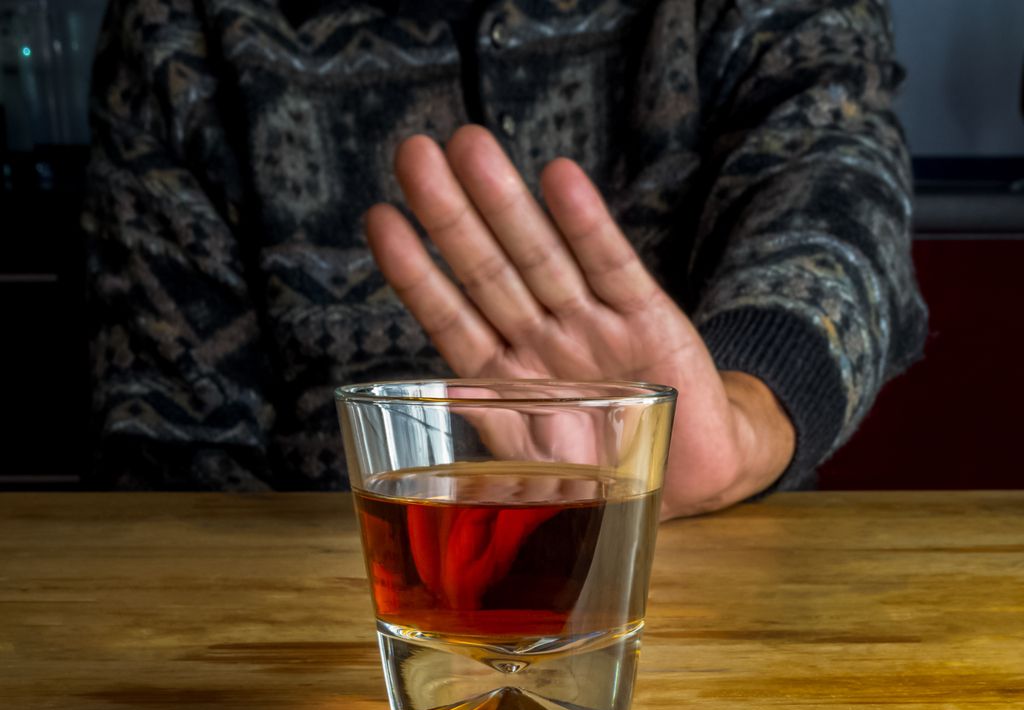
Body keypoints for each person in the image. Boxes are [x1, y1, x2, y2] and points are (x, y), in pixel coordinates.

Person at [82, 0, 927, 517]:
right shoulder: (178, 26)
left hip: (714, 600)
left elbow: (830, 179)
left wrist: (743, 415)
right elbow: (166, 434)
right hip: (335, 635)